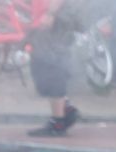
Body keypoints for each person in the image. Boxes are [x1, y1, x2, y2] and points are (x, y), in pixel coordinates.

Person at [27, 0, 80, 137]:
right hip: (53, 15)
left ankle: (58, 123)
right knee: (43, 67)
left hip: (57, 17)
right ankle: (64, 109)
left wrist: (50, 13)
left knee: (51, 66)